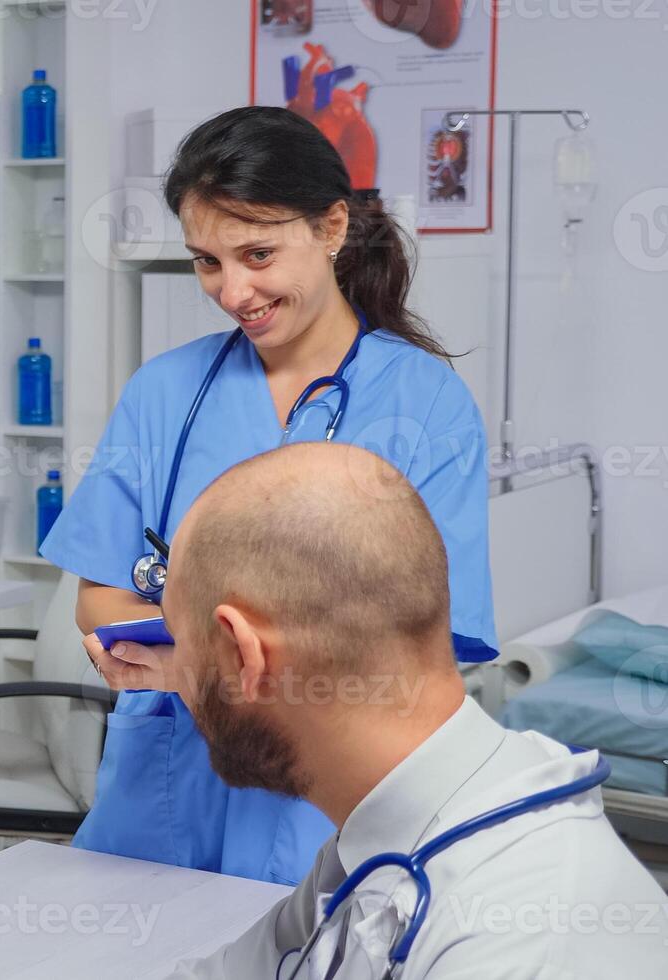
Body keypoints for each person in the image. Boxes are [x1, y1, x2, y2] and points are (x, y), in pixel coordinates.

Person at [39, 105, 497, 885]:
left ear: (330, 229)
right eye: (207, 262)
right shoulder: (165, 393)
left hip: (334, 799)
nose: (232, 290)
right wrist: (194, 664)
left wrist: (213, 667)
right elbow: (102, 597)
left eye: (257, 253)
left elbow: (434, 644)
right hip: (162, 798)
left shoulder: (425, 406)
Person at [160, 443, 668, 978]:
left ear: (245, 656)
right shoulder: (374, 839)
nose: (174, 681)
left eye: (176, 639)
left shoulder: (527, 940)